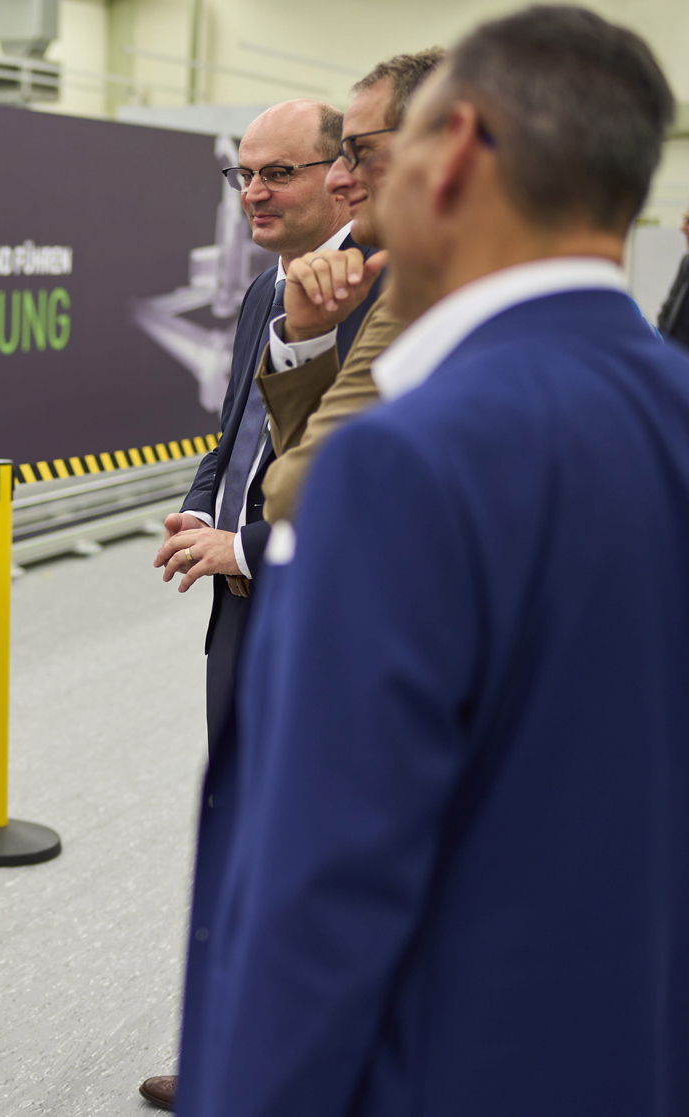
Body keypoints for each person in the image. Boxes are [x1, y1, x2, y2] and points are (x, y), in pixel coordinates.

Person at [181, 8, 689, 1115]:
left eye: (364, 156)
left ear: (452, 152)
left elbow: (324, 880)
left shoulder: (408, 462)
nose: (354, 187)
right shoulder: (668, 406)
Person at [140, 97, 378, 1110]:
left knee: (313, 853)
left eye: (276, 172)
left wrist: (240, 543)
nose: (254, 192)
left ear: (341, 174)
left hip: (323, 616)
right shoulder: (260, 297)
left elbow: (364, 496)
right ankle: (238, 1051)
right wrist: (200, 513)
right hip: (241, 610)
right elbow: (238, 436)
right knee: (245, 838)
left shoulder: (390, 301)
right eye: (244, 174)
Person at [255, 49, 445, 523]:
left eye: (358, 152)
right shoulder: (407, 297)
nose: (338, 181)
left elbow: (298, 495)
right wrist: (307, 339)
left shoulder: (419, 306)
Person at [658, 200, 689, 347]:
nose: (682, 228)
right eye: (684, 220)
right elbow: (667, 312)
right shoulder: (686, 264)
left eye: (688, 222)